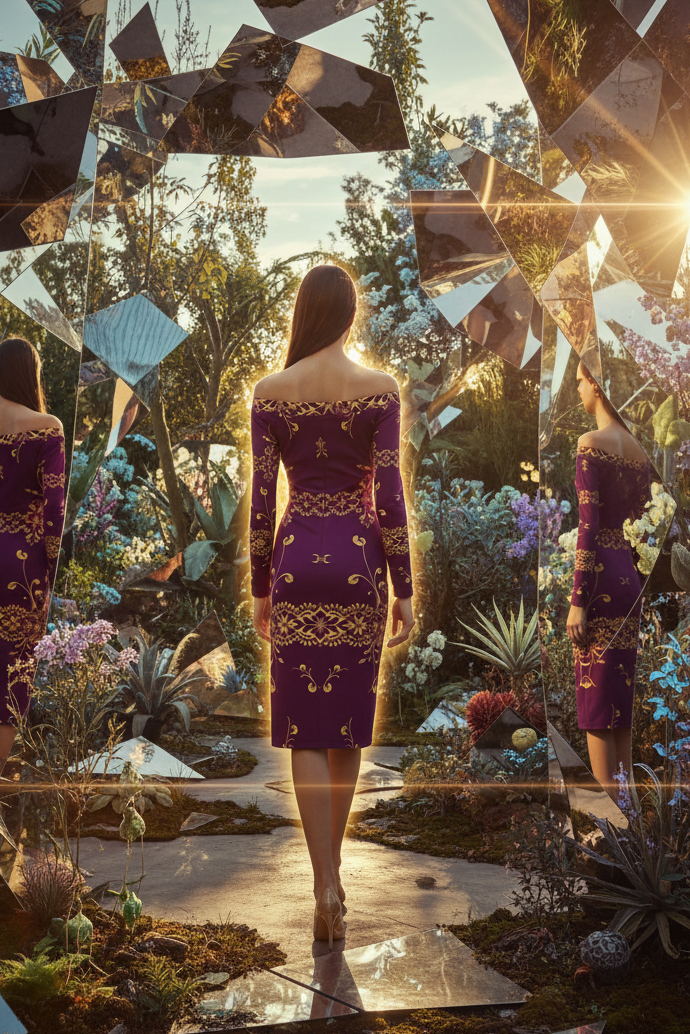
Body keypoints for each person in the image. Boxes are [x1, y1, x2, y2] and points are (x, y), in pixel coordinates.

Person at [249, 265, 414, 947]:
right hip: (358, 564)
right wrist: (406, 587)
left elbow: (263, 502)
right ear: (349, 316)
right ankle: (333, 877)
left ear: (304, 315)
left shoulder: (271, 392)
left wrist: (259, 584)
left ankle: (322, 880)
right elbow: (391, 499)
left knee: (304, 729)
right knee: (344, 725)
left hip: (295, 561)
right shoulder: (378, 390)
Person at [566, 361, 650, 800]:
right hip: (630, 582)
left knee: (597, 707)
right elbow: (644, 525)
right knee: (620, 708)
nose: (577, 390)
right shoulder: (639, 451)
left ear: (597, 385)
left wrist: (578, 597)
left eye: (580, 381)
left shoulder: (590, 444)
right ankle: (634, 831)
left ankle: (610, 839)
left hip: (598, 584)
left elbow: (588, 525)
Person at [0, 338, 65, 774]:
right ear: (31, 374)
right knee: (10, 683)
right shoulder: (45, 427)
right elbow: (54, 512)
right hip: (21, 567)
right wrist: (50, 574)